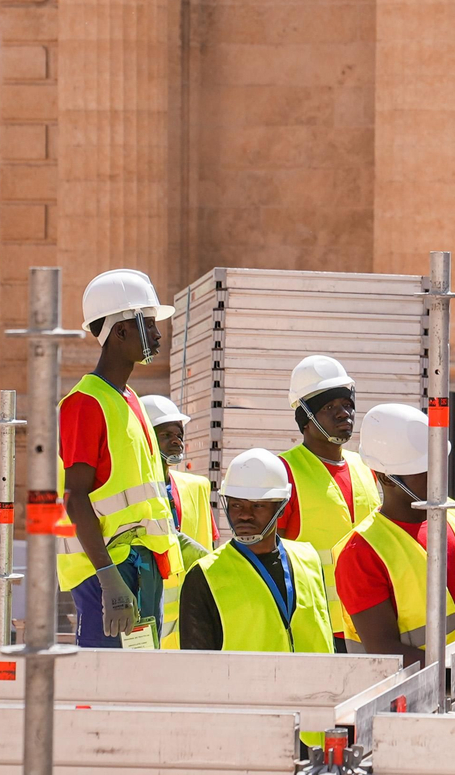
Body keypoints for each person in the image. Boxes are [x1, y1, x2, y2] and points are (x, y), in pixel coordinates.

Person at [55, 268, 182, 649]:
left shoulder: (130, 400)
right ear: (120, 331)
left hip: (140, 569)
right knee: (103, 689)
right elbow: (75, 498)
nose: (158, 335)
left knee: (137, 688)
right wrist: (109, 579)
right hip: (108, 572)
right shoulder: (85, 402)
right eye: (148, 324)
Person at [335, 403, 455, 665]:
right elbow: (384, 650)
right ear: (387, 478)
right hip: (408, 701)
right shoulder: (361, 553)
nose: (437, 477)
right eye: (424, 471)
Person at [179, 447, 335, 654]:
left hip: (315, 686)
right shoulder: (204, 575)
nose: (245, 515)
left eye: (258, 506)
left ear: (281, 506)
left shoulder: (309, 559)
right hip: (243, 686)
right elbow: (196, 665)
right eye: (236, 505)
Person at [278, 355, 383, 647]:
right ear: (305, 418)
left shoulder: (367, 467)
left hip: (368, 626)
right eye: (329, 407)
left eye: (347, 405)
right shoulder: (284, 473)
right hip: (312, 629)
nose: (344, 414)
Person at [139, 394, 216, 648]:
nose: (176, 442)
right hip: (147, 616)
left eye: (179, 435)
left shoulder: (197, 488)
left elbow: (212, 545)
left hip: (194, 615)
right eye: (166, 435)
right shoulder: (131, 494)